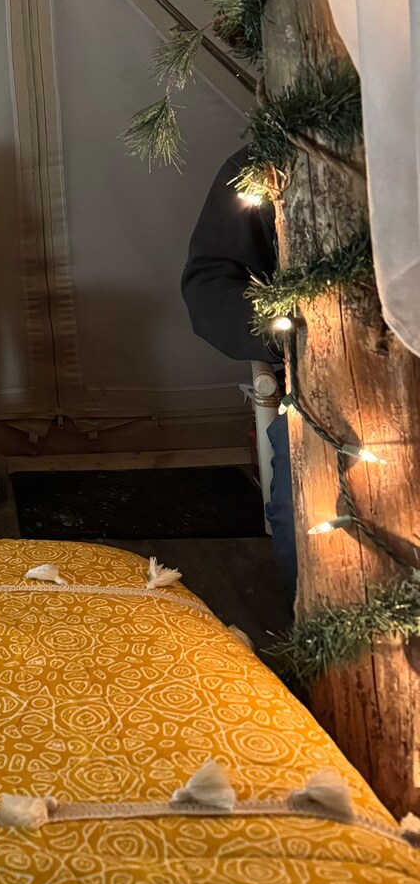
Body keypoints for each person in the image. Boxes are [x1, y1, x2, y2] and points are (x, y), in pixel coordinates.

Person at [181, 146, 296, 598]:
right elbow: (211, 285)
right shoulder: (268, 161)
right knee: (309, 525)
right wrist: (292, 330)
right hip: (323, 395)